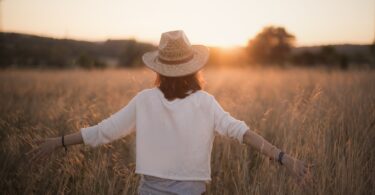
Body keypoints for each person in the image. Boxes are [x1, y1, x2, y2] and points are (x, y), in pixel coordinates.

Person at [28, 30, 311, 195]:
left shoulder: (144, 100)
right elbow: (244, 134)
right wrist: (285, 158)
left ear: (159, 69)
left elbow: (103, 132)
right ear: (194, 68)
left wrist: (59, 141)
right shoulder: (206, 102)